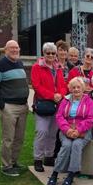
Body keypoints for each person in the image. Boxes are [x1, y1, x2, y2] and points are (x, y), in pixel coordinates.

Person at [0, 40, 30, 177]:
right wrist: (3, 106)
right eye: (11, 48)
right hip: (9, 107)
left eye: (16, 48)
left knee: (19, 137)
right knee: (8, 138)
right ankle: (6, 166)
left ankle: (14, 161)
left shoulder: (19, 63)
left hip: (23, 106)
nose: (15, 50)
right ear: (5, 50)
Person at [47, 77, 93, 185]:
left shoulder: (89, 101)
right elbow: (59, 116)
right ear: (70, 89)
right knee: (67, 145)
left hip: (84, 131)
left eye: (79, 87)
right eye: (73, 87)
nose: (76, 89)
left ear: (83, 88)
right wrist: (67, 129)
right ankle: (55, 173)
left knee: (76, 145)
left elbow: (90, 118)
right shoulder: (65, 100)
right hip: (67, 130)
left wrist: (78, 130)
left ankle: (71, 174)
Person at [31, 42, 68, 172]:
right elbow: (36, 86)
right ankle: (38, 158)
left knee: (52, 133)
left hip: (57, 105)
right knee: (42, 131)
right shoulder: (37, 67)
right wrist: (52, 95)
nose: (51, 55)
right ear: (44, 54)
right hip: (43, 104)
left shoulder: (58, 68)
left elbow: (63, 85)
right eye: (48, 53)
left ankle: (49, 156)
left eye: (53, 53)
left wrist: (60, 94)